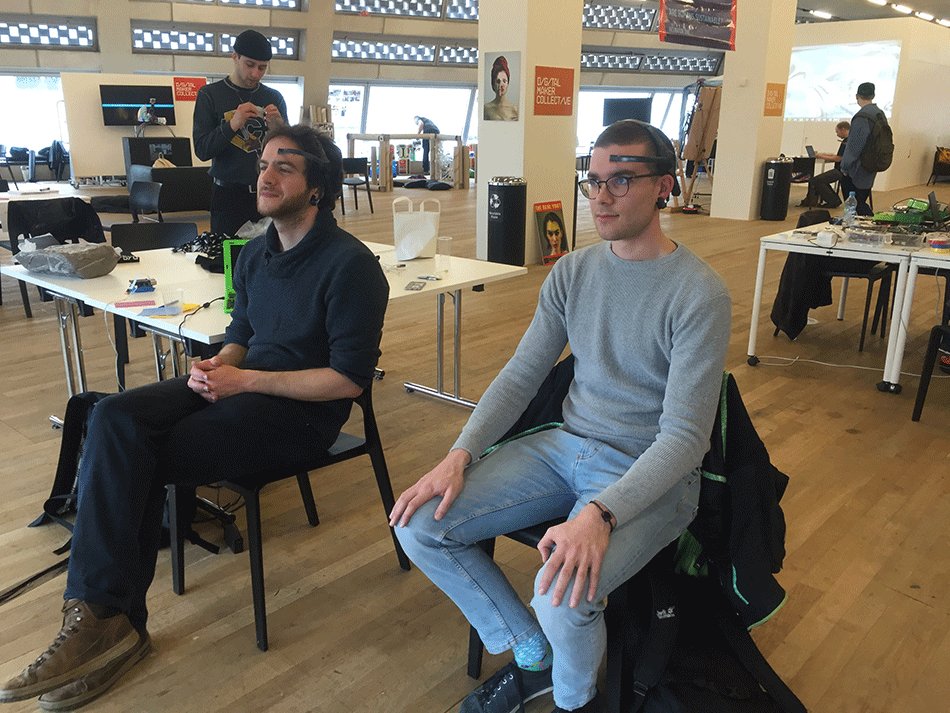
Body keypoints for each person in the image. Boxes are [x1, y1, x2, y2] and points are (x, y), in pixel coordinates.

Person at [0, 125, 389, 711]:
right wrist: (215, 368)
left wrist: (244, 378)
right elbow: (242, 336)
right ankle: (99, 616)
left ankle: (113, 624)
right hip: (245, 385)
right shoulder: (256, 253)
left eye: (284, 166)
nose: (265, 175)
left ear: (317, 187)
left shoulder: (351, 266)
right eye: (263, 163)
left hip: (305, 414)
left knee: (149, 451)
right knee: (113, 418)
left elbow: (349, 380)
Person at [390, 119, 731, 713]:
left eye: (621, 179)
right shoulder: (573, 272)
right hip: (563, 446)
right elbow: (521, 374)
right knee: (418, 522)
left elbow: (683, 439)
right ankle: (532, 655)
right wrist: (457, 456)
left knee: (562, 595)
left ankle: (575, 703)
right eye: (593, 178)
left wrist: (600, 514)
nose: (601, 194)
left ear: (665, 187)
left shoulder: (698, 293)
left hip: (648, 474)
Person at [193, 29, 289, 236]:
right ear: (234, 57)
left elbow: (289, 153)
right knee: (226, 263)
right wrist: (232, 125)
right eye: (250, 65)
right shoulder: (210, 95)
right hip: (227, 197)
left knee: (270, 258)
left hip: (268, 191)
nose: (255, 74)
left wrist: (279, 129)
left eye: (262, 68)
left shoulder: (274, 97)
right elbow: (202, 150)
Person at [840, 81, 881, 217]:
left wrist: (844, 166)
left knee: (855, 204)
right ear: (873, 95)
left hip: (858, 169)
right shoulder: (879, 115)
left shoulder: (862, 117)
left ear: (857, 96)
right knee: (861, 200)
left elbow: (854, 147)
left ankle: (874, 224)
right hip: (872, 164)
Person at [799, 121, 849, 208]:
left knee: (815, 180)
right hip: (843, 170)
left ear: (843, 129)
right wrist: (822, 155)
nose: (837, 135)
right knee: (821, 179)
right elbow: (838, 156)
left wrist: (822, 156)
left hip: (842, 171)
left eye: (837, 132)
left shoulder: (846, 142)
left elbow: (838, 158)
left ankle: (833, 201)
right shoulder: (850, 140)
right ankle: (833, 200)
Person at [484, 56, 519, 121]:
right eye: (498, 81)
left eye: (504, 81)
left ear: (507, 84)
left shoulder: (514, 110)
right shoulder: (486, 109)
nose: (501, 85)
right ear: (493, 84)